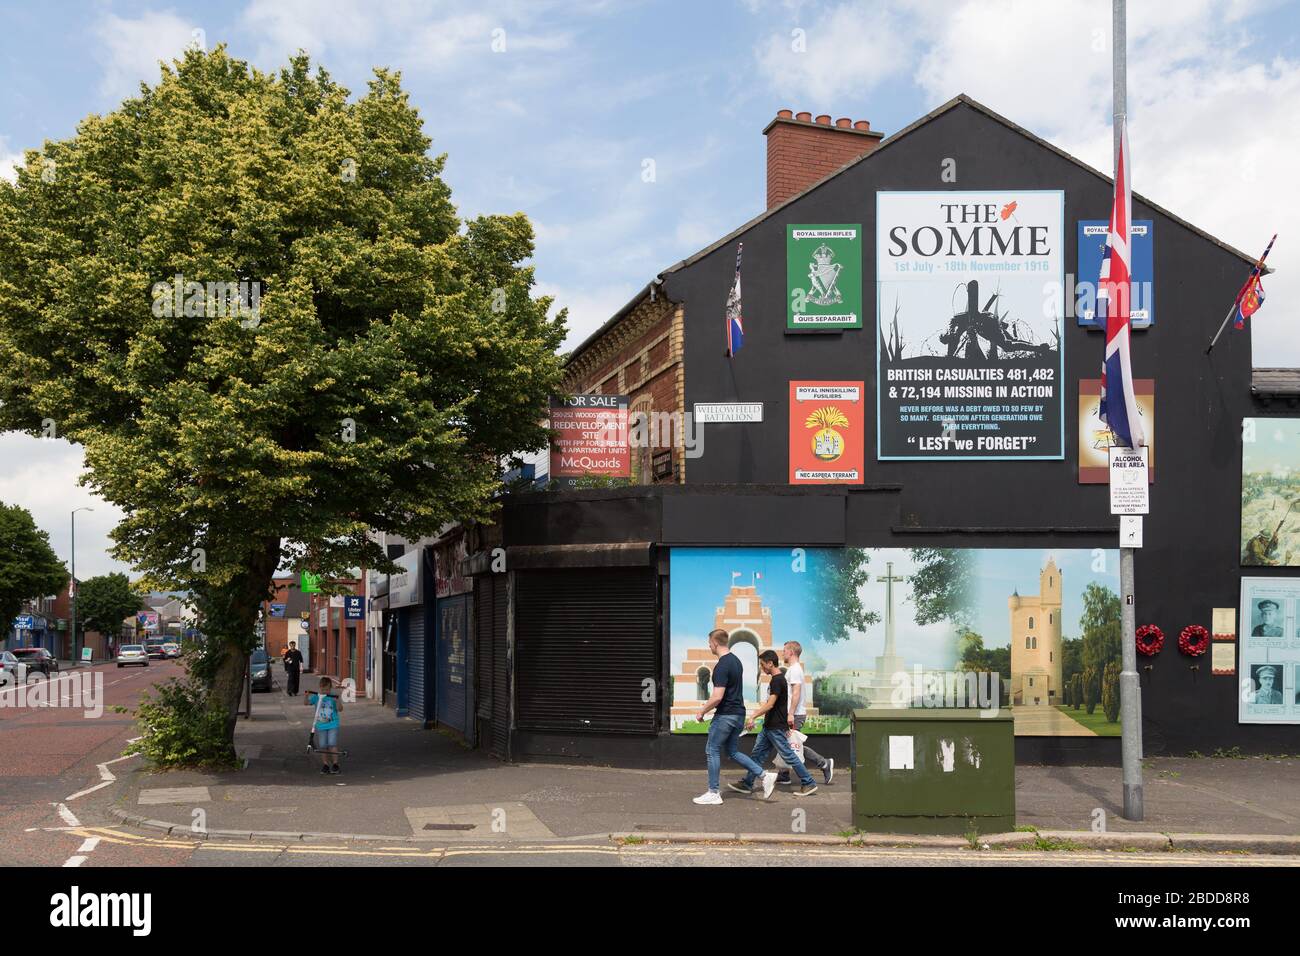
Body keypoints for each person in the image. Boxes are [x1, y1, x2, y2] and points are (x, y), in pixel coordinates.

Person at [693, 629, 773, 805]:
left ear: (714, 643)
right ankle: (764, 775)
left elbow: (717, 696)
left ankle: (713, 792)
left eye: (709, 643)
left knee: (712, 750)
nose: (709, 646)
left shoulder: (722, 665)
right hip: (738, 714)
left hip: (726, 715)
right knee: (732, 751)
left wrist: (702, 711)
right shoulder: (736, 662)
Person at [730, 650, 818, 798]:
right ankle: (747, 783)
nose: (762, 668)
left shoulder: (777, 680)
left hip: (776, 727)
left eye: (762, 664)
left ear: (770, 663)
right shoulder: (777, 679)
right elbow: (772, 705)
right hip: (769, 726)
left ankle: (808, 782)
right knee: (757, 755)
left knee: (788, 755)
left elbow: (770, 704)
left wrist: (753, 716)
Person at [774, 641, 833, 786]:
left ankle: (823, 763)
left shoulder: (794, 670)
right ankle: (784, 774)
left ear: (791, 652)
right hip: (793, 713)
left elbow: (796, 693)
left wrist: (790, 714)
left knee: (793, 745)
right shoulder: (793, 669)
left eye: (784, 650)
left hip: (795, 714)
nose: (783, 653)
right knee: (789, 743)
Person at [305, 676, 343, 774]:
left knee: (332, 743)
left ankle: (335, 764)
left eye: (327, 689)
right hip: (321, 725)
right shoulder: (316, 697)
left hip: (332, 724)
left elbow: (340, 709)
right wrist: (306, 695)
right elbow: (306, 703)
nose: (325, 691)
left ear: (330, 688)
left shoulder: (332, 698)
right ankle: (325, 764)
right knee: (323, 745)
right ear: (319, 688)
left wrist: (338, 701)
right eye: (323, 689)